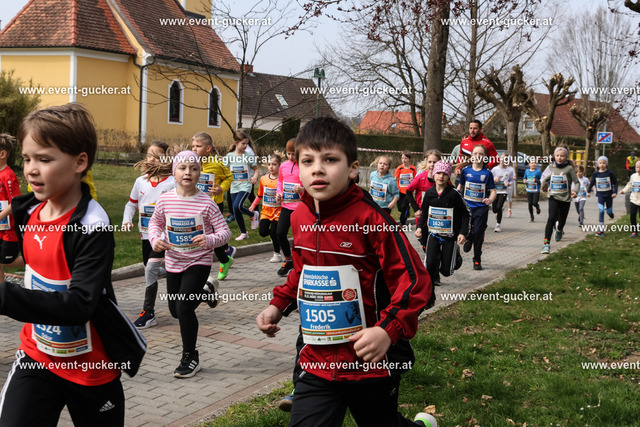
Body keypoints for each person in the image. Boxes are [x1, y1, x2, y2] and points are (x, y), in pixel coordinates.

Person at [256, 116, 431, 427]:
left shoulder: (372, 220)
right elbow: (301, 271)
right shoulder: (300, 216)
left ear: (353, 169)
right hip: (317, 361)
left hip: (369, 360)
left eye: (330, 160)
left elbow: (415, 281)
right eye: (308, 161)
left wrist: (387, 330)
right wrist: (278, 304)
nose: (317, 169)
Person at [0, 103, 125, 425]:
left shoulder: (92, 227)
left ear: (80, 162)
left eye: (44, 159)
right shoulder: (28, 209)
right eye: (27, 159)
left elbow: (79, 305)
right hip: (36, 357)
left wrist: (4, 295)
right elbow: (33, 258)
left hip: (91, 370)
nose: (30, 170)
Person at [148, 151, 231, 378]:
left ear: (199, 174)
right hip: (174, 261)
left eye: (194, 169)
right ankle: (206, 291)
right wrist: (155, 239)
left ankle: (190, 357)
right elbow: (154, 222)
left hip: (199, 261)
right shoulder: (165, 199)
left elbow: (225, 232)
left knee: (184, 308)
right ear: (174, 172)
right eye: (183, 168)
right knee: (175, 311)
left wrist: (209, 240)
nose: (188, 172)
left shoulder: (207, 203)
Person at [122, 141, 176, 329]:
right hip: (145, 236)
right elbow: (131, 204)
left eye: (156, 156)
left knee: (151, 269)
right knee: (151, 270)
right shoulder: (141, 181)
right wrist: (126, 220)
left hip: (163, 236)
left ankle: (148, 313)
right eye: (149, 155)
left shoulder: (172, 182)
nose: (151, 159)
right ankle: (187, 276)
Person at [415, 161, 469, 294]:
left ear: (449, 176)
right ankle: (429, 293)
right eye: (438, 173)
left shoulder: (454, 194)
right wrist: (419, 227)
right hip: (433, 234)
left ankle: (456, 257)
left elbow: (465, 214)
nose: (441, 176)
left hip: (449, 237)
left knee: (446, 271)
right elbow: (424, 212)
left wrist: (462, 233)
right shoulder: (429, 193)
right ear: (433, 175)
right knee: (429, 265)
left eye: (445, 174)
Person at [191, 132, 236, 282]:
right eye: (193, 146)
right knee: (198, 234)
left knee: (211, 237)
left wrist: (221, 189)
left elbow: (229, 177)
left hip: (214, 204)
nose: (194, 149)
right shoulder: (191, 163)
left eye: (198, 146)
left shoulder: (216, 164)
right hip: (195, 204)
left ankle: (224, 260)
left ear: (208, 148)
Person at [458, 144, 497, 271]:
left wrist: (490, 199)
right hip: (467, 208)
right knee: (468, 229)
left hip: (481, 208)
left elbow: (493, 191)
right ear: (472, 155)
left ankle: (477, 259)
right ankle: (469, 237)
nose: (478, 156)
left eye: (481, 154)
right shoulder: (466, 171)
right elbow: (460, 187)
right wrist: (455, 198)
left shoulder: (487, 173)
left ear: (485, 157)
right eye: (475, 153)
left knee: (479, 233)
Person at [540, 147, 580, 254]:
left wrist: (575, 191)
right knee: (551, 218)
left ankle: (560, 230)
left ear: (566, 157)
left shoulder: (569, 169)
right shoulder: (551, 167)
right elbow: (546, 178)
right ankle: (546, 244)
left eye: (562, 156)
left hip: (565, 199)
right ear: (554, 156)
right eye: (557, 155)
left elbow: (577, 182)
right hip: (553, 197)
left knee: (562, 222)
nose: (559, 158)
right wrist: (543, 185)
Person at [275, 138, 305, 277]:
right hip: (286, 205)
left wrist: (302, 190)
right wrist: (279, 193)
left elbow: (310, 184)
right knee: (280, 233)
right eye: (288, 153)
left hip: (300, 207)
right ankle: (288, 260)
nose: (291, 157)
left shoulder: (304, 166)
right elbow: (280, 181)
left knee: (299, 237)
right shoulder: (283, 166)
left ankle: (300, 262)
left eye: (294, 154)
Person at [224, 131, 259, 241]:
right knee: (236, 210)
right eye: (243, 143)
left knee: (237, 206)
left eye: (246, 144)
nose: (245, 146)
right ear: (236, 143)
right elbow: (224, 170)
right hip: (234, 186)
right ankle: (244, 233)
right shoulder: (229, 156)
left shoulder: (248, 156)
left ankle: (253, 214)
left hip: (245, 186)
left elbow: (256, 169)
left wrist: (255, 177)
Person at [249, 153, 283, 262]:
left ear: (279, 165)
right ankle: (278, 236)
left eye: (274, 164)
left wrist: (281, 197)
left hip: (278, 211)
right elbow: (259, 195)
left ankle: (277, 254)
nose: (271, 167)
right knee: (263, 232)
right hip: (266, 211)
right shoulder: (263, 179)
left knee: (273, 232)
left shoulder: (282, 180)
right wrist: (253, 205)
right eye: (269, 164)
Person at [0, 134, 22, 283]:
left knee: (6, 261)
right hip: (1, 229)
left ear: (2, 154)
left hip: (10, 232)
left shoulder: (8, 176)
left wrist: (1, 216)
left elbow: (16, 202)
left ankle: (36, 259)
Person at [406, 150, 441, 225]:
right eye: (429, 162)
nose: (432, 165)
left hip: (438, 214)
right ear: (426, 162)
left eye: (435, 162)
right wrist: (416, 209)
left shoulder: (443, 178)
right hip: (422, 214)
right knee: (421, 232)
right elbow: (408, 191)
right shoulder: (420, 178)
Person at [587, 156, 618, 237]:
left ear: (606, 164)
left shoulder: (610, 173)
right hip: (600, 195)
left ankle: (610, 214)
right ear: (598, 164)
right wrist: (588, 191)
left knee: (608, 212)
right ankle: (601, 231)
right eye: (600, 163)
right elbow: (592, 182)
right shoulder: (596, 173)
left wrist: (615, 192)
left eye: (603, 163)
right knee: (601, 211)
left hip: (609, 195)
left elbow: (615, 183)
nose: (602, 164)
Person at [491, 153, 514, 232]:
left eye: (505, 159)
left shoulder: (510, 170)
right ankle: (499, 211)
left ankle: (498, 225)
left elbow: (512, 180)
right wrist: (494, 179)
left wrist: (509, 183)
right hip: (495, 191)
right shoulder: (494, 169)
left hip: (503, 191)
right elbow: (489, 178)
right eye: (501, 158)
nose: (503, 160)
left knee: (499, 207)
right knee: (494, 210)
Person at [394, 151, 417, 225]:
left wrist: (413, 180)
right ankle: (407, 209)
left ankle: (402, 222)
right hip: (400, 191)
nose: (404, 160)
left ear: (409, 159)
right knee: (400, 208)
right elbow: (395, 178)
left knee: (404, 206)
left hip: (408, 191)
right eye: (402, 158)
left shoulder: (413, 169)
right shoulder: (399, 168)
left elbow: (416, 179)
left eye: (406, 158)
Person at [619, 159, 640, 237]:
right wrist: (623, 191)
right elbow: (629, 185)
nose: (638, 169)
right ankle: (634, 231)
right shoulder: (633, 176)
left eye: (639, 167)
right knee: (632, 215)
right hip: (634, 199)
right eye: (637, 167)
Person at [523, 158, 542, 223]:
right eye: (532, 163)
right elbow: (524, 178)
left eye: (535, 163)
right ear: (529, 164)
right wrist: (524, 180)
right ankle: (531, 217)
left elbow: (542, 180)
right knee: (530, 203)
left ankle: (537, 207)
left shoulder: (538, 172)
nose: (533, 164)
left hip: (536, 190)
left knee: (534, 203)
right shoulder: (526, 171)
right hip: (529, 190)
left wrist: (536, 180)